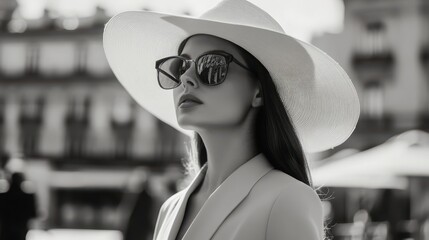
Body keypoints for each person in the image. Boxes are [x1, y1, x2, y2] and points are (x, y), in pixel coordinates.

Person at [103, 0, 360, 239]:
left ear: (258, 91)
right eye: (180, 67)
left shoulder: (287, 200)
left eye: (211, 65)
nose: (186, 79)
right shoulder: (169, 208)